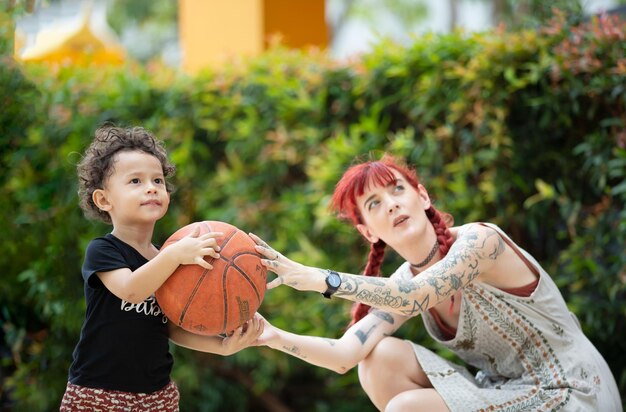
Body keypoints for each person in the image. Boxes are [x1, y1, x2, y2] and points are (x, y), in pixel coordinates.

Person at [251, 154, 622, 411]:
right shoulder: (402, 282)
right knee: (377, 361)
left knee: (407, 409)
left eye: (397, 189)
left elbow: (413, 297)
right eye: (375, 203)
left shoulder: (480, 242)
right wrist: (268, 336)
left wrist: (321, 279)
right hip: (509, 394)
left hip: (576, 394)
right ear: (368, 232)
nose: (392, 204)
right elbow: (343, 355)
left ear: (422, 196)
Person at [60, 124, 263, 411]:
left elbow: (171, 325)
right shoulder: (104, 251)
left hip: (157, 394)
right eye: (135, 181)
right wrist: (174, 256)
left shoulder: (169, 258)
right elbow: (131, 291)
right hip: (98, 392)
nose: (151, 188)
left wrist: (222, 345)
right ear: (104, 199)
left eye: (158, 180)